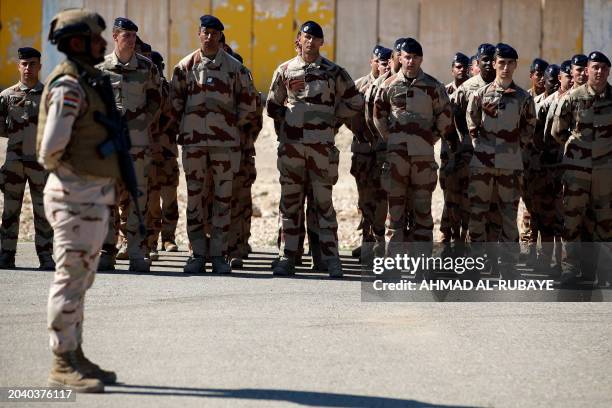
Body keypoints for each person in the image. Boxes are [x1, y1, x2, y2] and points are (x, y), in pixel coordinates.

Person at [37, 8, 119, 392]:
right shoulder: (69, 86)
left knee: (81, 280)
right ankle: (60, 363)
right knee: (69, 280)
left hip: (89, 196)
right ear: (75, 43)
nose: (103, 44)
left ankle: (75, 354)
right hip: (74, 197)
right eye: (95, 38)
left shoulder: (87, 81)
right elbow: (50, 149)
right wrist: (76, 181)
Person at [267, 20, 364, 277]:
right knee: (290, 205)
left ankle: (331, 259)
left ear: (322, 42)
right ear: (299, 39)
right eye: (306, 37)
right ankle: (287, 257)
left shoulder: (334, 72)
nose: (310, 41)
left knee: (324, 206)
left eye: (316, 38)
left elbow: (355, 101)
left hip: (321, 150)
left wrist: (333, 119)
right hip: (292, 150)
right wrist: (288, 119)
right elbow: (271, 106)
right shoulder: (286, 70)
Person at [171, 15, 258, 274]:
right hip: (194, 146)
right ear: (199, 34)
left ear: (221, 36)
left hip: (225, 147)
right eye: (205, 32)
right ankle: (197, 253)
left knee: (223, 200)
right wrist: (185, 132)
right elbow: (174, 107)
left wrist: (231, 132)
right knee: (195, 199)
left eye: (214, 33)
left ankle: (219, 254)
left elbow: (248, 107)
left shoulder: (236, 69)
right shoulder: (184, 67)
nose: (209, 37)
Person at [373, 38, 453, 279]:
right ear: (399, 57)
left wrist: (429, 140)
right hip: (396, 160)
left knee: (422, 214)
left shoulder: (433, 87)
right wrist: (392, 139)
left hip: (422, 162)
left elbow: (445, 117)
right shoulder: (388, 85)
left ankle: (422, 268)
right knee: (394, 216)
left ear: (421, 59)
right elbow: (378, 116)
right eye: (406, 57)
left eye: (415, 57)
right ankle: (393, 267)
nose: (410, 61)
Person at [466, 43, 536, 281]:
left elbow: (529, 127)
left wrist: (514, 149)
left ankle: (508, 266)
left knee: (508, 215)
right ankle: (475, 264)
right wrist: (480, 146)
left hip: (510, 165)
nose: (505, 68)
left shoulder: (524, 98)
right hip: (482, 164)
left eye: (510, 63)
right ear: (494, 64)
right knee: (478, 214)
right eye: (501, 63)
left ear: (515, 65)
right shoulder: (480, 94)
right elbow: (471, 121)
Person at [97, 17, 161, 272]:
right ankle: (106, 252)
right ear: (115, 36)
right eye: (126, 35)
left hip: (138, 146)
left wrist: (142, 121)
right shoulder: (100, 70)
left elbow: (158, 98)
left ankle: (136, 251)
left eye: (134, 36)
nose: (131, 40)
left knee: (137, 199)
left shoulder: (147, 68)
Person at [552, 51, 612, 288]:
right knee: (572, 220)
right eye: (595, 67)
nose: (599, 72)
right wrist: (576, 150)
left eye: (604, 68)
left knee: (606, 221)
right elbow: (557, 132)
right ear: (586, 70)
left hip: (605, 172)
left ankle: (605, 274)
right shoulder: (573, 98)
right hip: (577, 171)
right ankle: (570, 271)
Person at [0, 47, 54, 270]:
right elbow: (1, 128)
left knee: (43, 212)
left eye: (32, 64)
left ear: (39, 66)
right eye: (24, 64)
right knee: (10, 211)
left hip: (41, 164)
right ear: (18, 66)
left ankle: (46, 256)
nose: (28, 68)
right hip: (14, 163)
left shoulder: (49, 96)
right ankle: (6, 255)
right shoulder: (6, 96)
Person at [452, 43, 498, 259]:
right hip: (471, 155)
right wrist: (465, 140)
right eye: (484, 60)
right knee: (471, 205)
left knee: (494, 205)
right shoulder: (468, 88)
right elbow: (455, 114)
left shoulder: (503, 88)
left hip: (497, 158)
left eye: (492, 59)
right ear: (477, 63)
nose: (488, 63)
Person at [348, 46, 391, 263]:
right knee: (364, 199)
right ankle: (366, 241)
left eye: (387, 62)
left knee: (382, 197)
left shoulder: (390, 86)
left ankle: (379, 243)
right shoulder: (358, 86)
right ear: (371, 62)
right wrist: (359, 133)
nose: (383, 65)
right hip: (363, 151)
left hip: (382, 152)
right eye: (379, 61)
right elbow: (348, 114)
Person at [533, 60, 572, 275]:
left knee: (564, 218)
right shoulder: (547, 103)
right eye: (567, 75)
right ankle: (547, 261)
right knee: (546, 216)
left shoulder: (576, 101)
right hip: (548, 167)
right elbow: (537, 133)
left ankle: (564, 263)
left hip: (567, 168)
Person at [146, 51, 180, 259]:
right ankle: (151, 239)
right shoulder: (144, 90)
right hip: (148, 153)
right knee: (150, 199)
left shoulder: (169, 91)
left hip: (167, 151)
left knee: (169, 198)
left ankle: (168, 237)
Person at [440, 52, 469, 256]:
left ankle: (464, 241)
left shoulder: (473, 91)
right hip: (447, 155)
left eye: (464, 66)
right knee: (449, 198)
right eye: (458, 66)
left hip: (468, 155)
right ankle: (447, 237)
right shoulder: (443, 92)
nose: (461, 69)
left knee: (467, 199)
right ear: (452, 69)